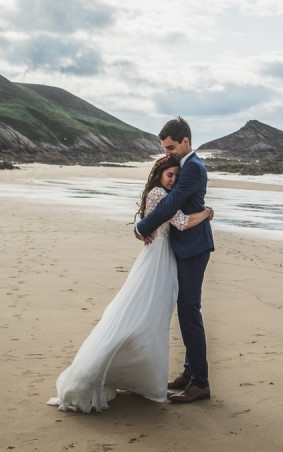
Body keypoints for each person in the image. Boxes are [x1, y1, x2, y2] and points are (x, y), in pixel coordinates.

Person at [47, 156, 213, 413]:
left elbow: (159, 222)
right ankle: (110, 370)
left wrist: (140, 228)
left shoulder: (159, 191)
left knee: (151, 315)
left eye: (176, 176)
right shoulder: (159, 193)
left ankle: (152, 373)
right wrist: (207, 212)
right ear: (158, 174)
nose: (173, 180)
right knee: (144, 314)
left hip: (164, 257)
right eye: (170, 174)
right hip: (158, 260)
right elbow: (180, 221)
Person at [134, 116, 215, 404]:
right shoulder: (184, 165)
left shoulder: (192, 167)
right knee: (186, 310)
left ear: (185, 141)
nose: (167, 152)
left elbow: (170, 205)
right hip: (184, 246)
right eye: (165, 148)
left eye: (170, 147)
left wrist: (142, 227)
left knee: (190, 311)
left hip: (194, 247)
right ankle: (189, 372)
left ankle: (201, 383)